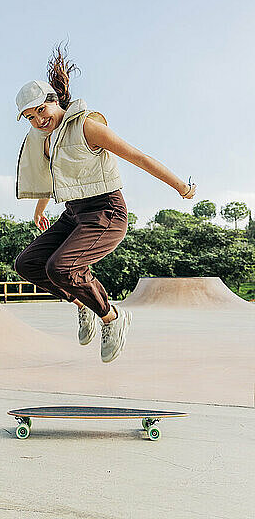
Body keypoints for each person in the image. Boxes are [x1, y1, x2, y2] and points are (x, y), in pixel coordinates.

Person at [14, 43, 196, 363]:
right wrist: (40, 209)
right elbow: (54, 179)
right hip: (73, 214)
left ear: (55, 101)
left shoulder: (87, 126)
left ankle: (112, 317)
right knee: (27, 263)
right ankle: (83, 304)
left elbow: (138, 157)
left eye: (41, 110)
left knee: (61, 267)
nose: (39, 120)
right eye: (30, 117)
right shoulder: (47, 142)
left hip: (106, 212)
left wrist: (180, 185)